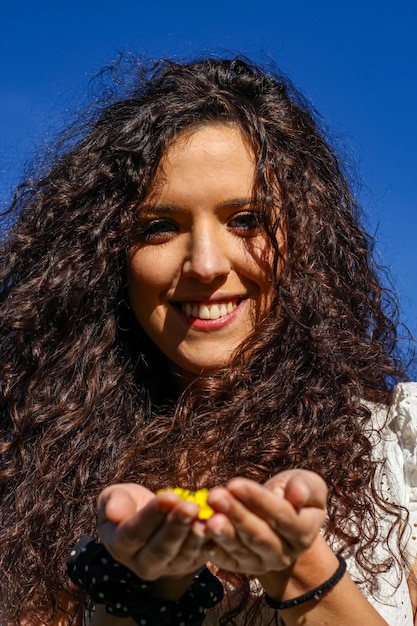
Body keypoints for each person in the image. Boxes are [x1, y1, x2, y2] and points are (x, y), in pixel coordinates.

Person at [0, 55, 416, 626]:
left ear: (305, 240)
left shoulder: (399, 452)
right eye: (159, 227)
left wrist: (301, 570)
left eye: (245, 220)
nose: (204, 264)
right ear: (104, 259)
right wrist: (138, 591)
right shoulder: (29, 475)